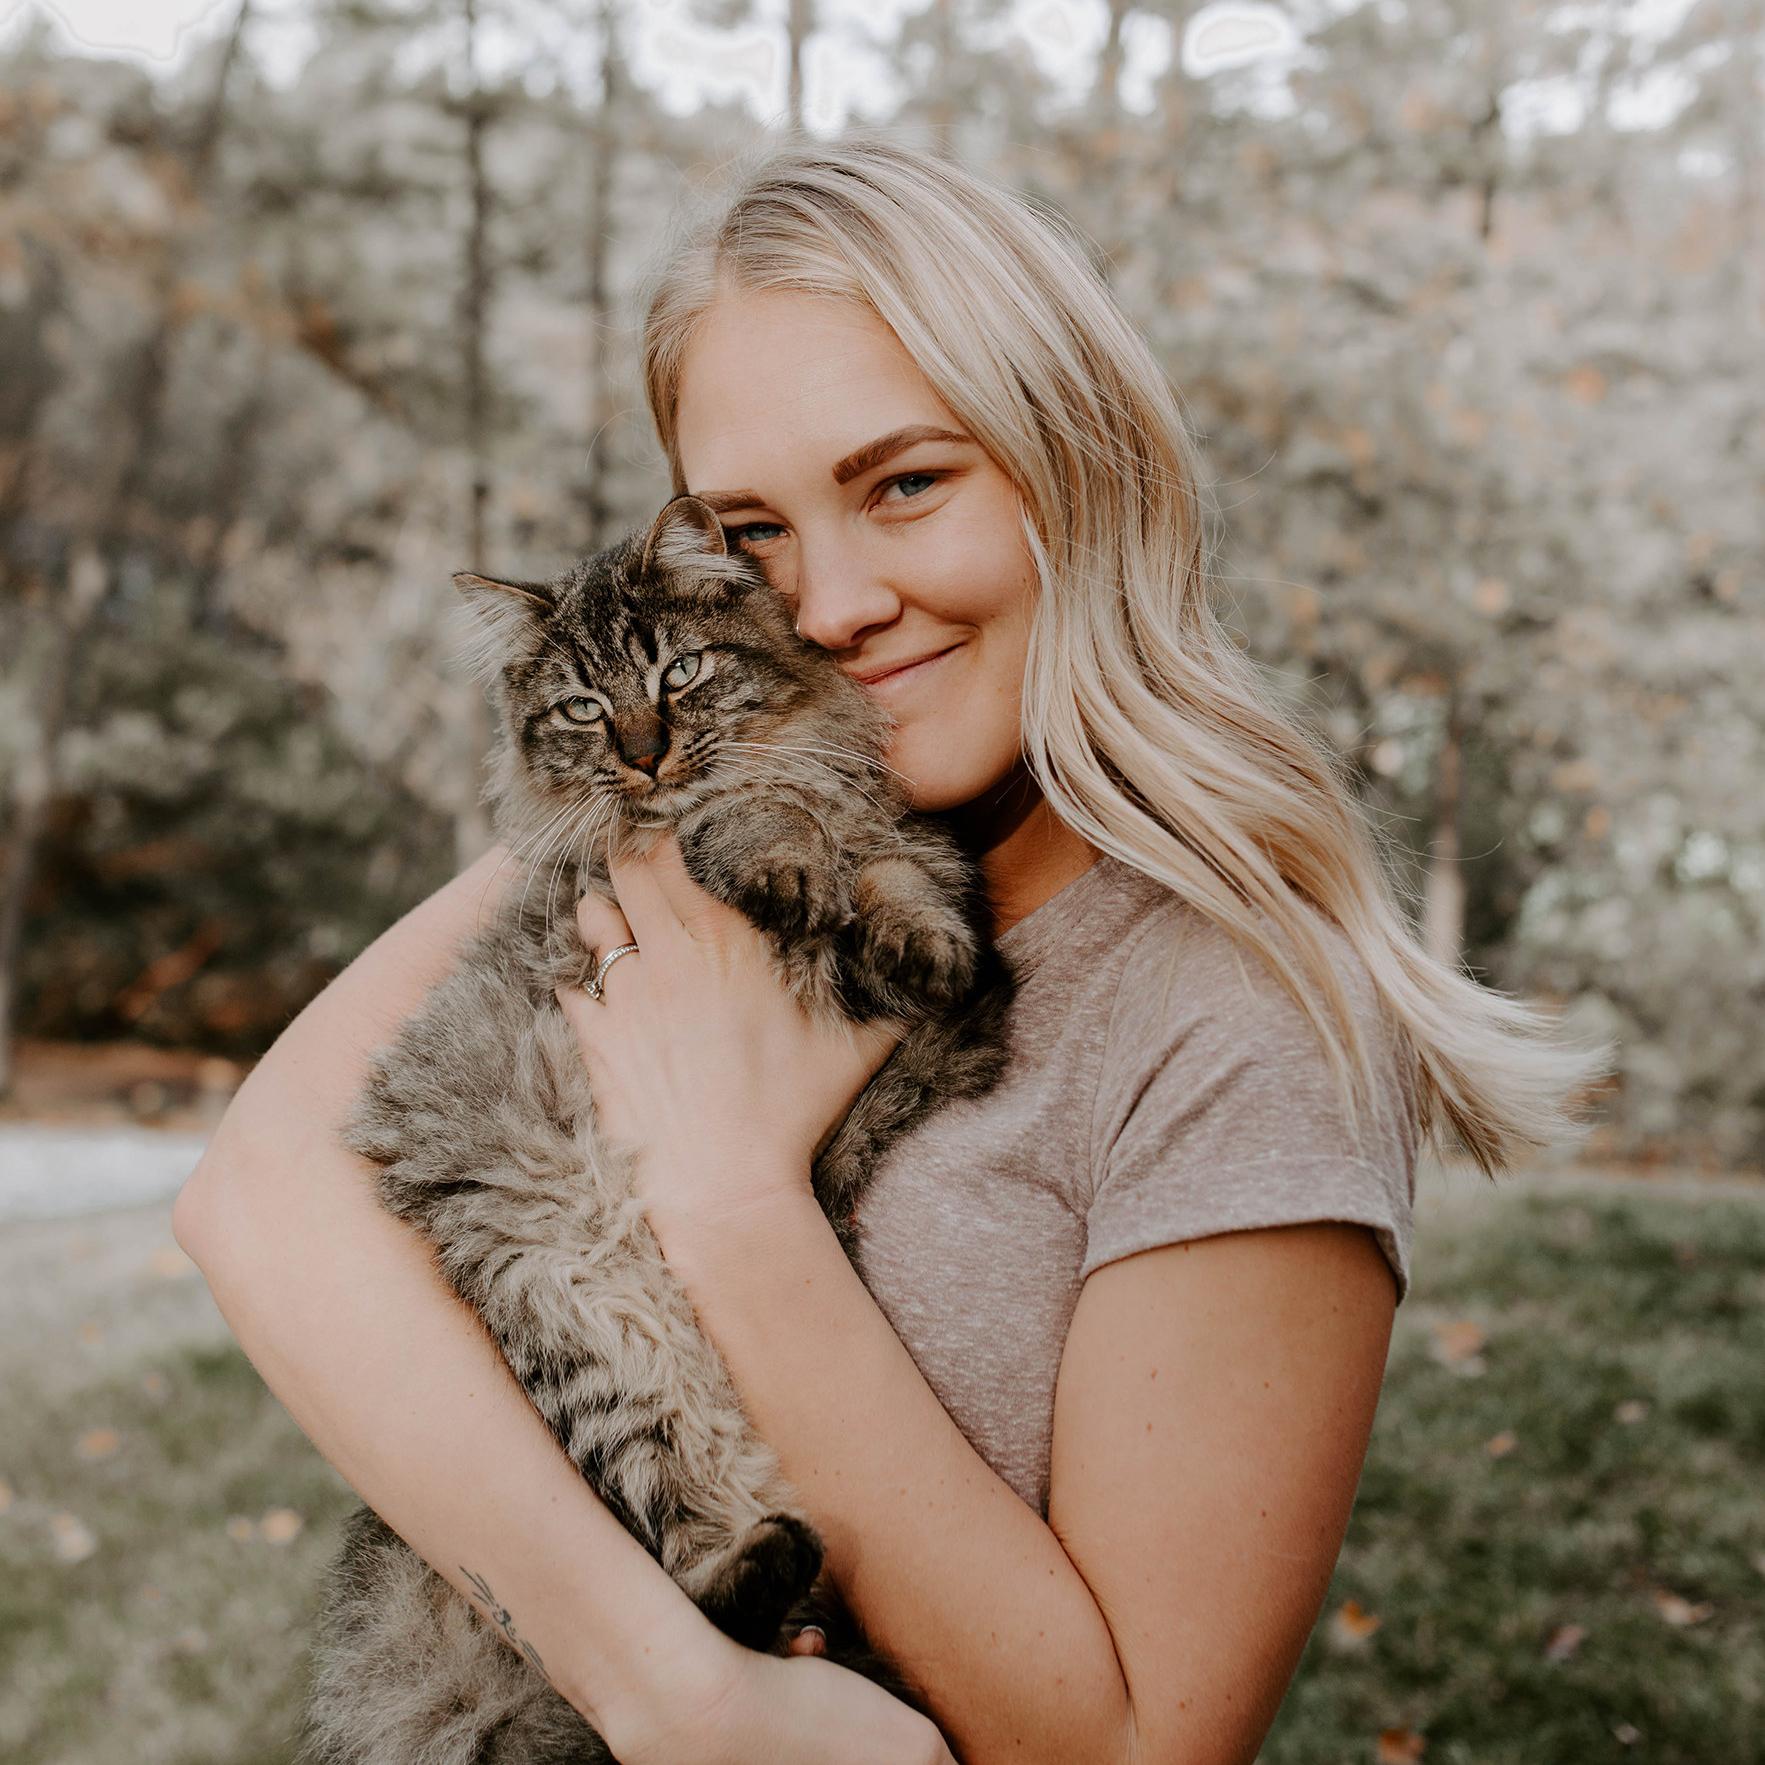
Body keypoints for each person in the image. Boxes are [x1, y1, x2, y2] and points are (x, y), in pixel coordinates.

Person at [173, 134, 1600, 1764]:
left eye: (904, 483)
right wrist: (672, 1687)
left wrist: (731, 1201)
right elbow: (256, 1196)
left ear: (1079, 471)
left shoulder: (1233, 1018)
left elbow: (1132, 1748)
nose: (828, 603)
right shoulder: (659, 812)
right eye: (752, 531)